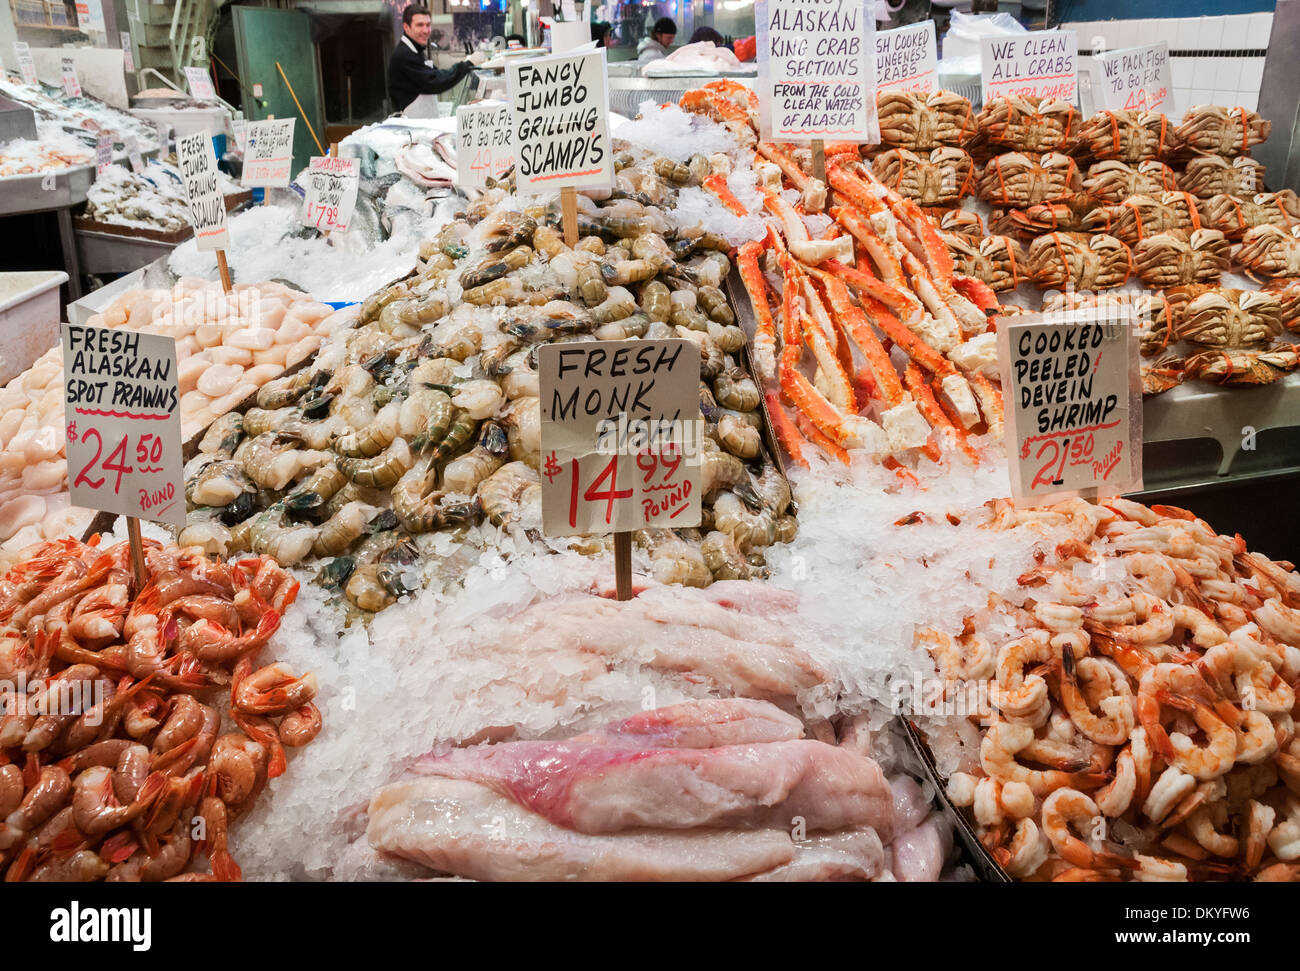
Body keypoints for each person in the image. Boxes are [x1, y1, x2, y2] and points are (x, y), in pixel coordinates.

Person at [387, 5, 486, 113]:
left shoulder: (415, 50)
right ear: (406, 27)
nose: (426, 30)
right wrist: (467, 64)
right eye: (420, 25)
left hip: (421, 117)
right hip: (410, 120)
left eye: (428, 25)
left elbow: (435, 74)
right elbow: (435, 81)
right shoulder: (404, 55)